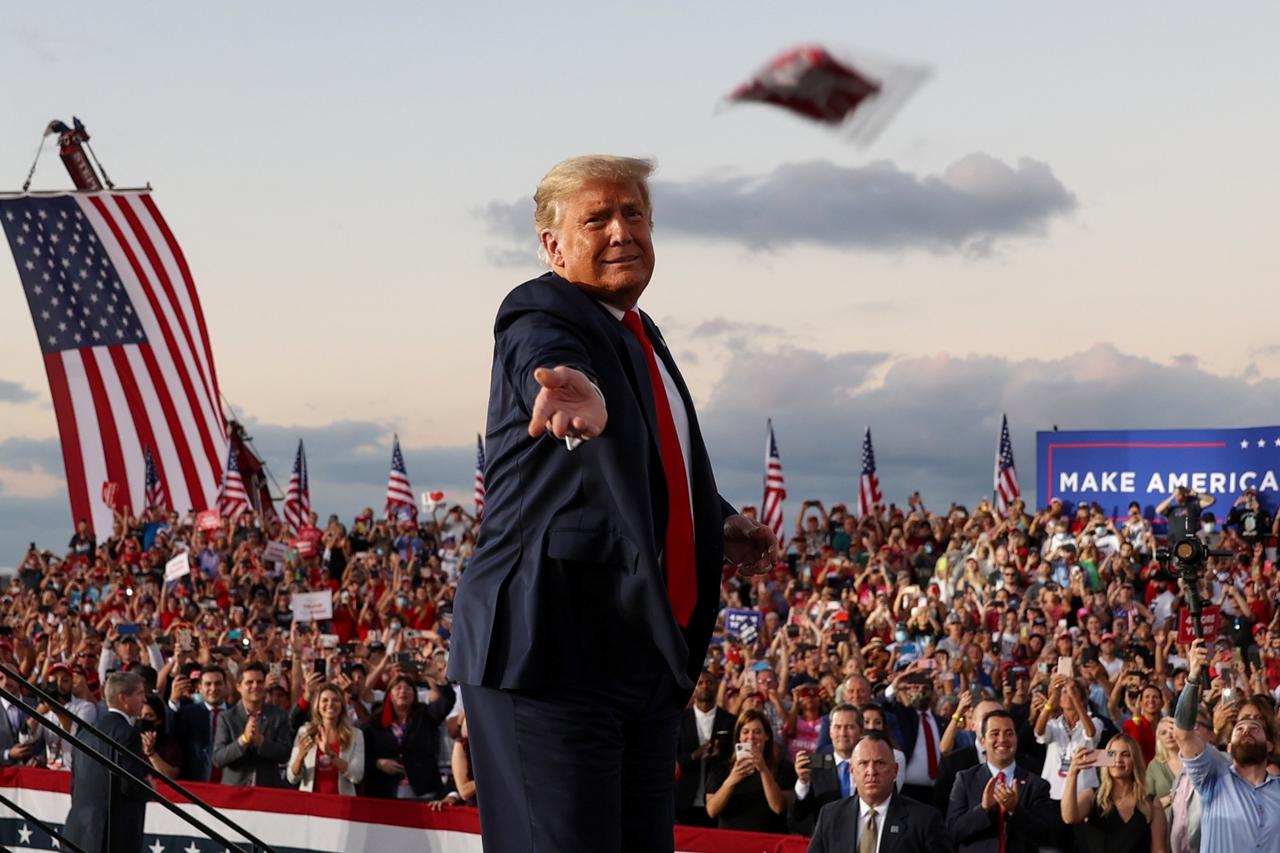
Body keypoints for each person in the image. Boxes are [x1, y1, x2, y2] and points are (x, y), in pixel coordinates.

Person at [448, 154, 778, 852]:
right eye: (596, 218)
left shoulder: (642, 332)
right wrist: (576, 387)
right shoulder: (541, 310)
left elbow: (645, 461)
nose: (621, 229)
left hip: (638, 660)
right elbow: (548, 355)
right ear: (553, 245)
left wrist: (717, 521)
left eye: (633, 213)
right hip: (548, 655)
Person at [1171, 638, 1280, 850]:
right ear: (1229, 745)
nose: (1246, 729)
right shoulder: (1214, 776)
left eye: (1255, 727)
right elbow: (1183, 732)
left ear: (1269, 745)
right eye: (1239, 728)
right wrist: (1193, 677)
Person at [807, 732, 951, 853]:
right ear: (852, 771)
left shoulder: (924, 820)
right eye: (863, 763)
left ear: (895, 770)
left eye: (879, 763)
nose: (871, 771)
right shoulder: (830, 815)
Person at [62, 671, 152, 853]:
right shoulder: (128, 733)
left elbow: (75, 782)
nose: (144, 700)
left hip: (78, 832)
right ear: (123, 698)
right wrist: (148, 787)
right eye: (140, 694)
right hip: (110, 837)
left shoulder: (85, 731)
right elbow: (129, 785)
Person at [947, 709, 1058, 853]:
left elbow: (1046, 834)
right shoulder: (965, 780)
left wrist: (1015, 810)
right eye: (995, 733)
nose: (1002, 739)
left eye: (1009, 733)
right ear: (982, 741)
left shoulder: (1036, 785)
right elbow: (951, 832)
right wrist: (983, 809)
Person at [1061, 735, 1168, 853]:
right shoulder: (1092, 796)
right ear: (1105, 759)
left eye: (1125, 754)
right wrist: (1072, 774)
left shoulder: (1151, 804)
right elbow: (1069, 817)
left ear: (1135, 760)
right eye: (1112, 754)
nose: (1118, 760)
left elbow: (1159, 850)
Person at [363, 672, 455, 799]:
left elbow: (447, 700)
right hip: (385, 792)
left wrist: (435, 675)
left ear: (414, 694)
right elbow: (363, 754)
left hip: (424, 790)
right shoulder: (375, 721)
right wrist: (378, 763)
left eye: (408, 688)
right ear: (389, 694)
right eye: (398, 688)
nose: (403, 692)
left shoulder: (425, 715)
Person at [704, 708, 794, 833]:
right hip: (731, 841)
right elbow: (712, 811)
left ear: (766, 736)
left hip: (769, 842)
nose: (751, 737)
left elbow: (778, 807)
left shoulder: (784, 769)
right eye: (745, 732)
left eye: (757, 732)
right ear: (739, 737)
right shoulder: (720, 768)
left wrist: (763, 769)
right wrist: (732, 779)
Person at [212, 661, 292, 787]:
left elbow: (285, 754)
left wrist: (261, 742)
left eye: (260, 682)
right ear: (238, 687)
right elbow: (218, 759)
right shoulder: (226, 717)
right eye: (249, 682)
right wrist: (243, 740)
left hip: (267, 792)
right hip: (234, 793)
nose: (255, 686)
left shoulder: (279, 716)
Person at [674, 669, 735, 826]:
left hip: (717, 800)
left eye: (709, 682)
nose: (705, 686)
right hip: (684, 800)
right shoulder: (680, 720)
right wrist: (694, 755)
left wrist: (718, 756)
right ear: (693, 687)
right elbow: (674, 758)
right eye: (700, 683)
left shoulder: (729, 720)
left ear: (716, 686)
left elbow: (733, 758)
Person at [791, 703, 862, 834]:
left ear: (861, 731)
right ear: (829, 731)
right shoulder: (815, 767)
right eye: (837, 727)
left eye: (849, 727)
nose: (843, 733)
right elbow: (798, 815)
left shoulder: (870, 765)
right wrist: (803, 782)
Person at [287, 683, 365, 795]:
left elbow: (357, 776)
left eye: (335, 700)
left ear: (342, 705)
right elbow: (292, 778)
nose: (330, 704)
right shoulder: (305, 732)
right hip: (310, 804)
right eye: (324, 700)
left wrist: (331, 755)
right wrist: (300, 757)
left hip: (341, 803)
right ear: (317, 706)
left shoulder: (356, 735)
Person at [1034, 672, 1102, 800]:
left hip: (1083, 794)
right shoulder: (1054, 725)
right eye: (1064, 692)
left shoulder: (1096, 722)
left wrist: (1075, 699)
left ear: (1082, 699)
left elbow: (1090, 733)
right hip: (1052, 793)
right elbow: (1039, 732)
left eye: (1072, 691)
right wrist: (1051, 700)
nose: (1068, 695)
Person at [885, 670, 948, 803]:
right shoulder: (903, 716)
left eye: (925, 688)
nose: (921, 691)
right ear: (908, 691)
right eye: (915, 688)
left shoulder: (941, 722)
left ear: (932, 693)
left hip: (938, 791)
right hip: (908, 790)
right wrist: (894, 687)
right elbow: (884, 707)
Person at [169, 666, 230, 782]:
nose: (213, 688)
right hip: (195, 784)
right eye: (208, 684)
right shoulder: (186, 714)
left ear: (226, 686)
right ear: (200, 688)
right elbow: (171, 737)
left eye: (218, 683)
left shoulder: (237, 714)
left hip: (230, 785)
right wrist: (173, 701)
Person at [138, 694, 181, 779]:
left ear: (159, 720)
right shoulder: (130, 739)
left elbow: (171, 776)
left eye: (149, 716)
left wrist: (151, 753)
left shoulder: (169, 744)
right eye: (139, 715)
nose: (142, 719)